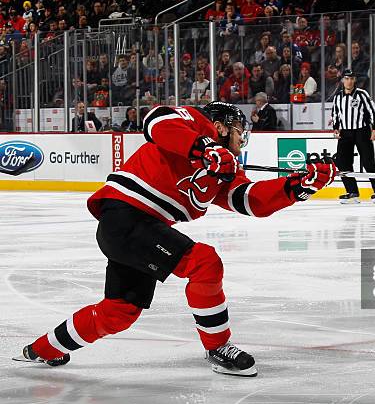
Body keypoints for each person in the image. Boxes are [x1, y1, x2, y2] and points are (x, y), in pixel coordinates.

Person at [18, 102, 337, 375]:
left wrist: (296, 187)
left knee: (119, 312)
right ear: (221, 127)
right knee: (204, 263)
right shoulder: (196, 124)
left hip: (139, 230)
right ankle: (218, 347)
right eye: (239, 129)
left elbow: (249, 199)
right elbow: (157, 121)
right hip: (125, 217)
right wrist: (203, 149)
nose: (243, 137)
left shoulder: (226, 167)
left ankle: (42, 348)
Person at [332, 69, 375, 204]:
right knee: (343, 163)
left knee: (368, 162)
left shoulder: (362, 94)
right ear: (343, 80)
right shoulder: (338, 96)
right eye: (346, 78)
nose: (349, 81)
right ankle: (352, 192)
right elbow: (335, 113)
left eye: (351, 78)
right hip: (345, 133)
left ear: (354, 80)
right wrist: (335, 128)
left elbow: (373, 111)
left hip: (361, 131)